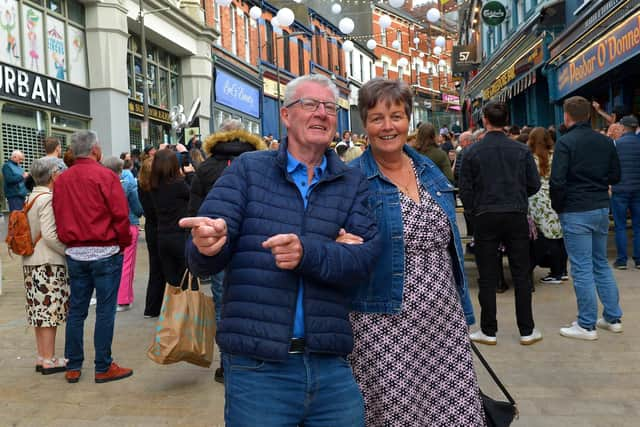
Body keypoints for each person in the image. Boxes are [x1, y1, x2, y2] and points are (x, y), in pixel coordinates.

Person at [180, 74, 380, 427]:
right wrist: (207, 243)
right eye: (309, 105)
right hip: (258, 367)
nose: (321, 113)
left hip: (330, 363)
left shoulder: (351, 182)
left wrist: (307, 254)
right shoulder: (248, 171)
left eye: (329, 107)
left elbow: (363, 260)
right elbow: (203, 254)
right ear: (286, 116)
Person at [349, 78, 483, 426]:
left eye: (396, 115)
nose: (388, 126)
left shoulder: (428, 171)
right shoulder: (352, 180)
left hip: (442, 319)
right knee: (398, 413)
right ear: (365, 124)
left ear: (408, 119)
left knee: (452, 410)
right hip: (383, 324)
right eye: (377, 118)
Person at [187, 118, 267, 383]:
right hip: (257, 246)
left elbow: (195, 209)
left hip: (217, 244)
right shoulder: (261, 163)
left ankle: (228, 363)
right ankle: (259, 357)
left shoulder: (207, 166)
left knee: (224, 303)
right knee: (258, 299)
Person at [52, 130, 133, 384]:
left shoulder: (62, 180)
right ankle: (102, 365)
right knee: (105, 310)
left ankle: (73, 365)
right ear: (95, 150)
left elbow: (58, 214)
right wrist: (122, 243)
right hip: (104, 250)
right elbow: (120, 215)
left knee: (76, 310)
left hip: (76, 251)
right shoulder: (106, 176)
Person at [459, 101, 542, 346]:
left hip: (485, 215)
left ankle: (488, 330)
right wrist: (517, 197)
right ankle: (527, 329)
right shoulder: (521, 150)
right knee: (521, 273)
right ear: (506, 120)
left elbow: (465, 188)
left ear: (485, 120)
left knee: (487, 274)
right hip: (515, 213)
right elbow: (534, 184)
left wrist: (475, 212)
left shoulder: (471, 152)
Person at [550, 96, 623, 340]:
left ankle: (586, 324)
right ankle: (613, 318)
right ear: (590, 116)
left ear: (567, 116)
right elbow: (616, 176)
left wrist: (558, 207)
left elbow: (557, 181)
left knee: (581, 268)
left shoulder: (565, 143)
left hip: (575, 208)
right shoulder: (605, 142)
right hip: (601, 206)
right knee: (600, 263)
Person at [23, 157, 69, 375]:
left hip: (31, 261)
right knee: (50, 313)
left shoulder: (32, 197)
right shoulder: (48, 198)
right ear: (53, 174)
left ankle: (42, 356)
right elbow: (50, 236)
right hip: (48, 262)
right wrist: (67, 252)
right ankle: (50, 359)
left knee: (38, 313)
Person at [102, 157, 144, 312]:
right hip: (128, 224)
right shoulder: (129, 182)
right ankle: (123, 299)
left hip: (106, 227)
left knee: (109, 263)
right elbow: (137, 206)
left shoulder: (99, 183)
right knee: (127, 263)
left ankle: (108, 297)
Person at [527, 128, 568, 283]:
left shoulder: (531, 157)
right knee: (558, 236)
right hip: (554, 196)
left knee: (546, 237)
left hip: (538, 199)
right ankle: (562, 270)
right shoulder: (555, 155)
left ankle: (555, 273)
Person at [150, 148, 190, 286]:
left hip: (162, 236)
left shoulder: (153, 186)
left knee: (172, 283)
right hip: (179, 236)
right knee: (187, 281)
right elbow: (193, 195)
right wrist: (190, 174)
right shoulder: (178, 185)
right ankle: (187, 308)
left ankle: (173, 307)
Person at [611, 115, 640, 269]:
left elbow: (611, 166)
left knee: (620, 225)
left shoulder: (616, 144)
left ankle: (622, 260)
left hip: (620, 189)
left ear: (623, 127)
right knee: (638, 226)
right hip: (638, 190)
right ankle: (639, 259)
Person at [137, 158, 166, 319]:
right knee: (166, 267)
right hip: (161, 227)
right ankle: (166, 305)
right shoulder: (159, 188)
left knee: (155, 268)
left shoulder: (141, 187)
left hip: (150, 229)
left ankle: (152, 307)